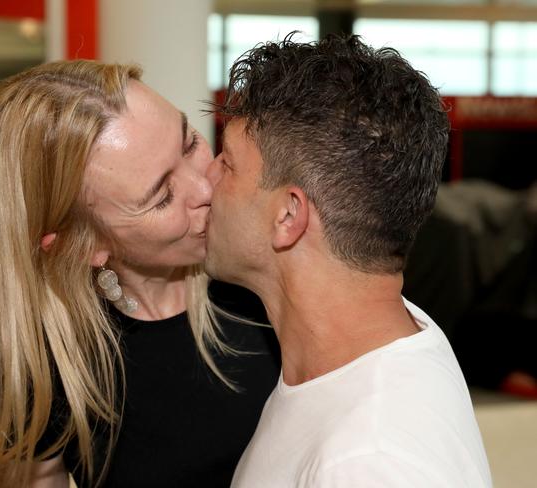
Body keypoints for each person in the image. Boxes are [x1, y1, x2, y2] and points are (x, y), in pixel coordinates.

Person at [0, 61, 279, 487]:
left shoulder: (269, 270)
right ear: (82, 245)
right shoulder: (47, 374)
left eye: (189, 141)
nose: (206, 189)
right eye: (162, 197)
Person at [205, 34, 493, 487]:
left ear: (288, 215)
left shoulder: (367, 463)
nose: (206, 179)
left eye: (227, 164)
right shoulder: (390, 330)